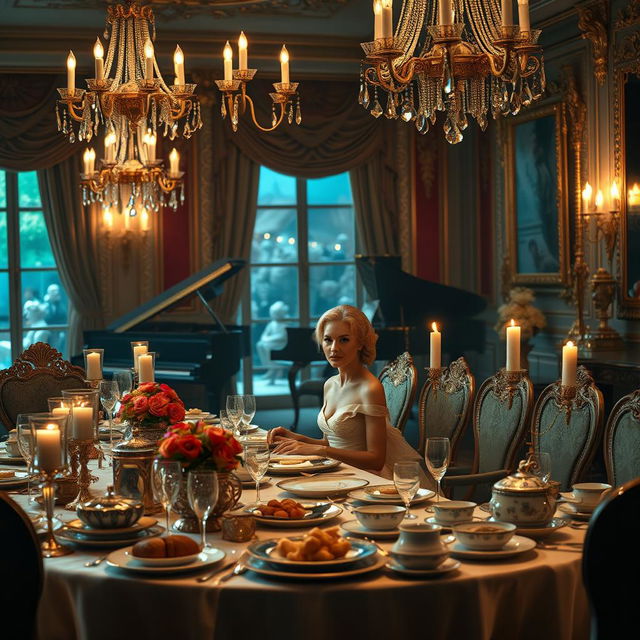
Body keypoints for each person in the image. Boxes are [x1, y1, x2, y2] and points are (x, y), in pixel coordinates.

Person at [268, 304, 431, 485]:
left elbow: (375, 459)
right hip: (337, 470)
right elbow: (332, 444)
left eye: (344, 340)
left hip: (367, 479)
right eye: (328, 340)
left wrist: (315, 450)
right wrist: (299, 439)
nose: (334, 348)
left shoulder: (370, 388)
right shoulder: (330, 384)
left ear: (360, 343)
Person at [256, 301, 289, 384]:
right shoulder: (272, 324)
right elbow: (264, 335)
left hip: (283, 344)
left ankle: (272, 369)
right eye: (273, 313)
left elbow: (282, 336)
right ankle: (269, 368)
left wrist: (267, 340)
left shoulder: (286, 323)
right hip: (271, 343)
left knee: (267, 346)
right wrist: (266, 339)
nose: (273, 315)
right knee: (260, 345)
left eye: (275, 313)